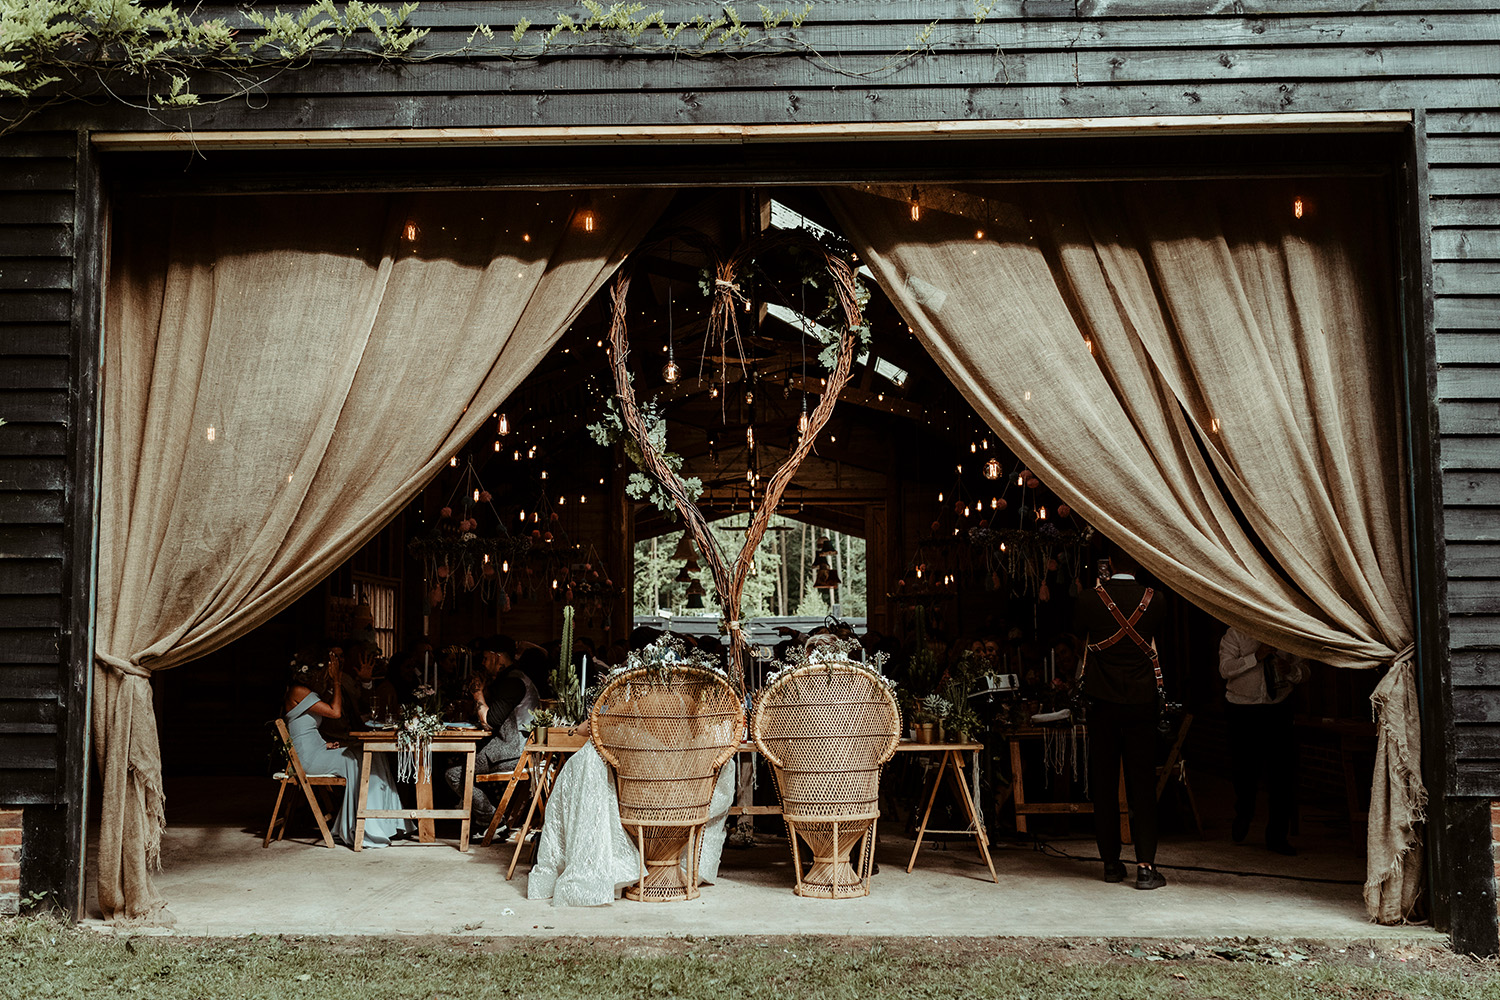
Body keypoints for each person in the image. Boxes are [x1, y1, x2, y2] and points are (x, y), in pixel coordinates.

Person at [1070, 546, 1169, 890]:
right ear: (1139, 563)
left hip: (1102, 701)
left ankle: (1111, 863)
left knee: (1105, 783)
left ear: (1108, 564)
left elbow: (1080, 634)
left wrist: (1099, 588)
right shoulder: (1156, 600)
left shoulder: (1087, 598)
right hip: (1141, 700)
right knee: (1142, 784)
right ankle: (1145, 867)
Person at [282, 649, 413, 848]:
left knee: (373, 755)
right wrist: (336, 681)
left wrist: (322, 744)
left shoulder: (308, 693)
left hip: (317, 750)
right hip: (306, 760)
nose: (328, 672)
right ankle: (363, 827)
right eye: (327, 668)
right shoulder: (298, 691)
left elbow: (303, 729)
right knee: (357, 759)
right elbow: (335, 713)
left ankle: (388, 822)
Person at [1219, 625, 1307, 856]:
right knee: (1245, 772)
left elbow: (1305, 671)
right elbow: (1225, 669)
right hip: (1243, 711)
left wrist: (1290, 670)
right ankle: (1244, 813)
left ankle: (1277, 836)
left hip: (1278, 709)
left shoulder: (1286, 635)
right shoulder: (1235, 634)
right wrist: (1254, 658)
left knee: (1281, 776)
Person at [444, 634, 538, 839]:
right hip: (509, 748)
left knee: (453, 774)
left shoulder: (514, 682)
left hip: (513, 753)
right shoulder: (511, 678)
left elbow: (489, 721)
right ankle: (482, 819)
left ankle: (492, 821)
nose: (484, 663)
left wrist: (478, 693)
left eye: (486, 658)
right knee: (456, 761)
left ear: (497, 657)